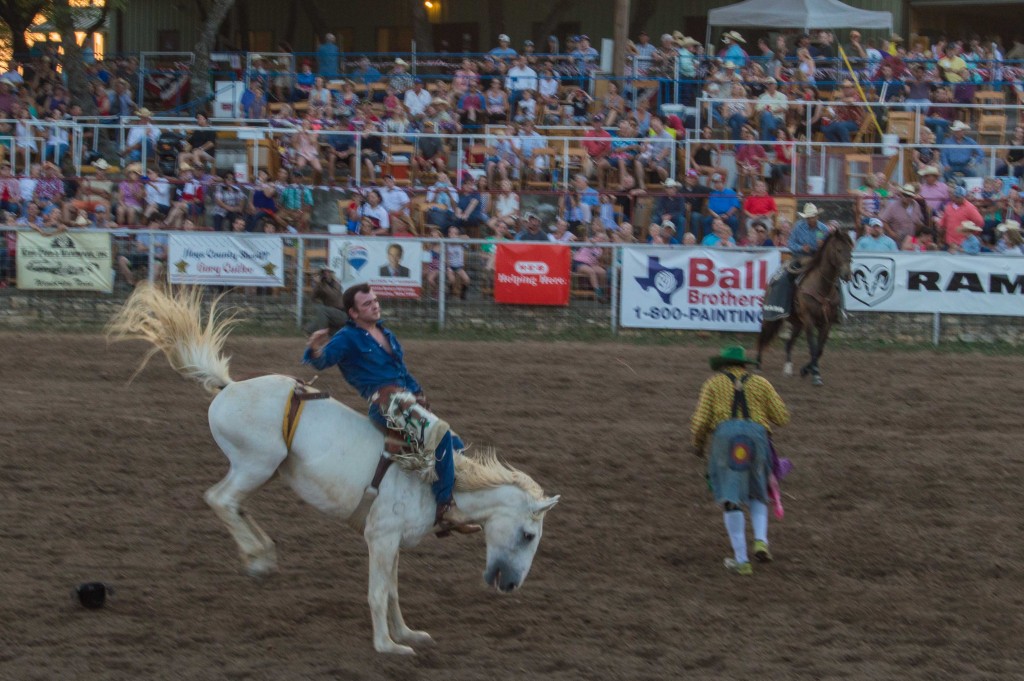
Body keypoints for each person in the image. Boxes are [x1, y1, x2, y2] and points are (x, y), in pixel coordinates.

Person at [304, 284, 481, 536]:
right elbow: (321, 361)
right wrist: (314, 349)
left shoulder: (385, 333)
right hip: (386, 404)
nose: (375, 305)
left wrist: (419, 394)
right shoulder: (346, 338)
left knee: (455, 444)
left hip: (405, 400)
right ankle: (446, 508)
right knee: (439, 435)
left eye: (375, 300)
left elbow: (402, 373)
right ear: (353, 313)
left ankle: (446, 506)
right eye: (367, 304)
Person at [690, 346, 790, 576]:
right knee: (758, 490)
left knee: (730, 495)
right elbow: (782, 417)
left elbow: (701, 421)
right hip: (757, 438)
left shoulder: (713, 384)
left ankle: (742, 561)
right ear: (745, 365)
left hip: (725, 439)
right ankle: (761, 540)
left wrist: (698, 444)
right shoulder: (761, 383)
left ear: (723, 365)